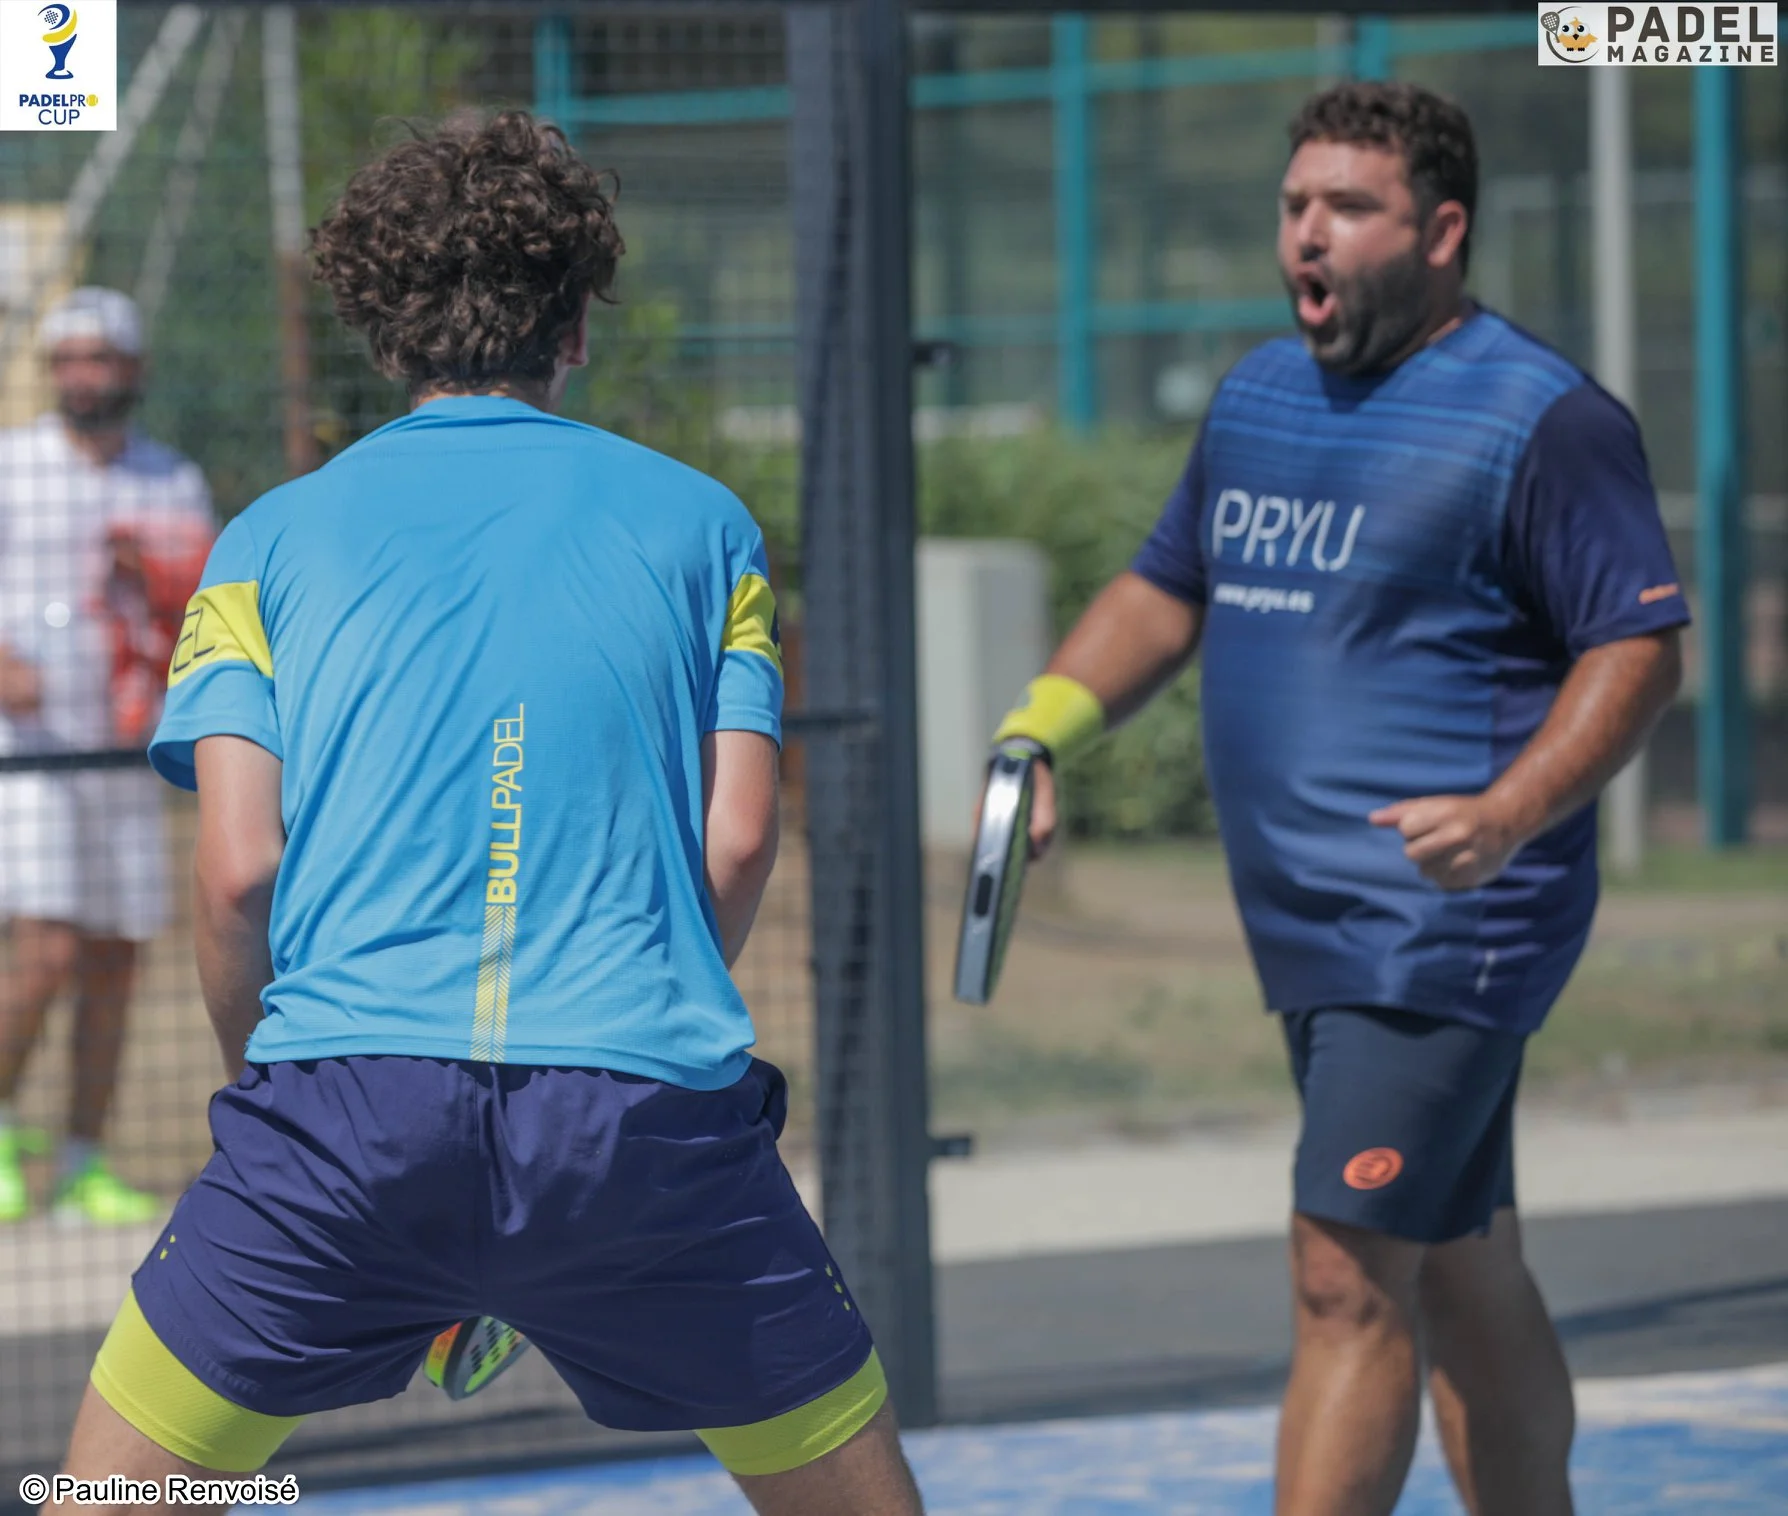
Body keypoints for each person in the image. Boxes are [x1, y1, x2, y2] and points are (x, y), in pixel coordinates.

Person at [55, 112, 922, 1516]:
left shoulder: (262, 540)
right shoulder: (706, 526)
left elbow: (237, 874)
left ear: (382, 329)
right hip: (639, 1112)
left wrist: (267, 1103)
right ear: (575, 324)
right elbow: (739, 838)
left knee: (103, 1503)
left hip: (342, 1111)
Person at [991, 83, 1686, 1516]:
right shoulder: (1258, 396)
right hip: (1308, 925)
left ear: (1441, 231)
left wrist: (1508, 813)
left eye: (1349, 208)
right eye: (1296, 204)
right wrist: (1037, 730)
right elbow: (1165, 589)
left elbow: (1637, 648)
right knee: (1461, 1258)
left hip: (1440, 922)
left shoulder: (1542, 416)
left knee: (1343, 1273)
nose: (1309, 233)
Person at [0, 287, 213, 1225]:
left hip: (130, 743)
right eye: (68, 360)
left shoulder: (172, 479)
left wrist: (156, 578)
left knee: (118, 956)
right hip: (31, 751)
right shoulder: (13, 464)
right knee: (45, 949)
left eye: (100, 358)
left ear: (133, 368)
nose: (83, 376)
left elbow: (202, 599)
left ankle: (83, 1160)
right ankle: (3, 1130)